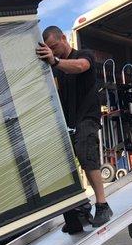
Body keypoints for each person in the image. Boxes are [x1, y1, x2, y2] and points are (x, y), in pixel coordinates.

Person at [36, 26, 113, 232]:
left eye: (55, 46)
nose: (54, 51)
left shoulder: (82, 55)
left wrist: (55, 61)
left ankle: (102, 205)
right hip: (68, 122)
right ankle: (76, 213)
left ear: (63, 38)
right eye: (50, 49)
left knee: (85, 154)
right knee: (62, 164)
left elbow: (80, 67)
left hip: (87, 117)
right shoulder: (55, 68)